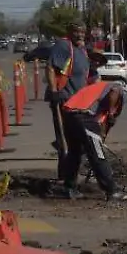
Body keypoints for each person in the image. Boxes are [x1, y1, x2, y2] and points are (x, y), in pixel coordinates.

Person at [59, 80, 127, 201]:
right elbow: (115, 91)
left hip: (69, 115)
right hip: (84, 116)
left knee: (74, 153)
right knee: (98, 155)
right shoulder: (118, 88)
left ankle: (69, 188)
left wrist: (102, 137)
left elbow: (104, 124)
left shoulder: (98, 89)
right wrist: (111, 114)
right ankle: (112, 191)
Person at [47, 23, 91, 181]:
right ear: (69, 32)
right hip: (64, 99)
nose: (80, 35)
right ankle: (64, 177)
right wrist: (54, 92)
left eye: (82, 32)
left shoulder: (81, 49)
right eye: (76, 31)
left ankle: (70, 175)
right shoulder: (64, 45)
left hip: (78, 101)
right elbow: (51, 67)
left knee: (76, 140)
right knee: (65, 140)